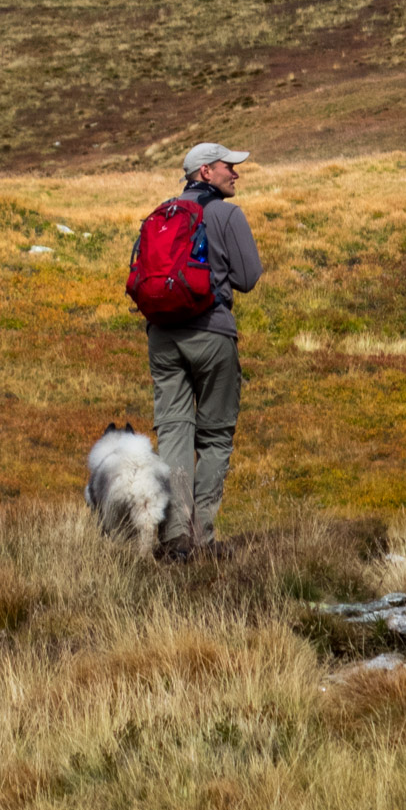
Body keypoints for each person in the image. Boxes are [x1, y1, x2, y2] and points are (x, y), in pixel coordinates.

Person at [147, 142, 263, 561]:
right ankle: (201, 538)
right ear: (205, 172)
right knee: (214, 436)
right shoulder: (227, 213)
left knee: (174, 430)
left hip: (162, 336)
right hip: (212, 332)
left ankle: (174, 537)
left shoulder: (163, 213)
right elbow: (248, 278)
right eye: (228, 167)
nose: (236, 173)